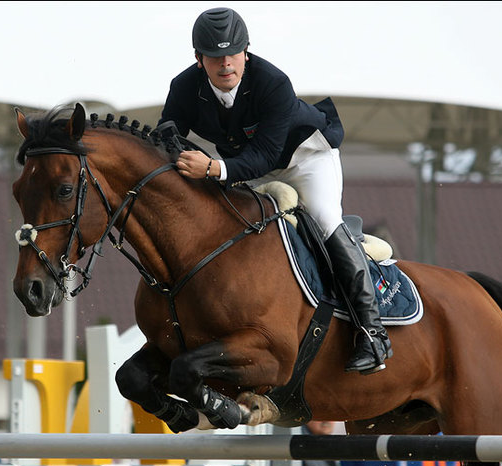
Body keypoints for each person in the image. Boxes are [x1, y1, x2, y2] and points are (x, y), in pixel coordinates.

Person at [158, 7, 391, 374]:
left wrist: (214, 168)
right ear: (198, 59)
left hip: (305, 160)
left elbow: (266, 154)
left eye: (233, 53)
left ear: (246, 51)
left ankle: (372, 333)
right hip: (243, 167)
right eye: (215, 57)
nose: (225, 64)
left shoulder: (272, 82)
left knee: (325, 218)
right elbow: (167, 134)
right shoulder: (184, 86)